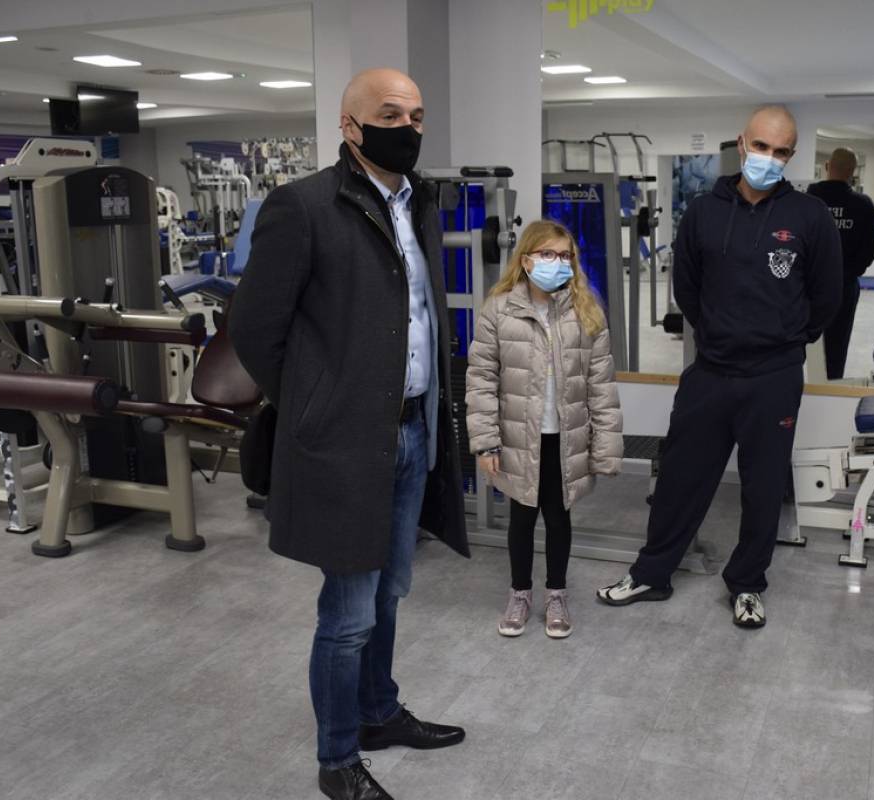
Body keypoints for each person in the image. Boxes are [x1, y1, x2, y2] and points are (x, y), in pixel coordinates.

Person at [229, 68, 469, 800]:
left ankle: (377, 713)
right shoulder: (303, 206)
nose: (408, 127)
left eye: (417, 115)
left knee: (389, 591)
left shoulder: (419, 203)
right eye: (390, 114)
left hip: (413, 432)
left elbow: (417, 316)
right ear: (349, 126)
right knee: (348, 612)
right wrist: (317, 406)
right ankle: (337, 761)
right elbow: (254, 330)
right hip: (344, 445)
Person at [596, 106, 842, 628]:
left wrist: (788, 337)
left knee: (763, 486)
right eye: (762, 147)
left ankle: (748, 584)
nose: (769, 159)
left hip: (773, 376)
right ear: (742, 143)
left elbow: (827, 295)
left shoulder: (809, 217)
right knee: (680, 476)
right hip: (710, 371)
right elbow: (686, 287)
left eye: (781, 152)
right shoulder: (704, 212)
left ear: (792, 156)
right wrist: (714, 331)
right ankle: (652, 572)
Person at [465, 219, 623, 640]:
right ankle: (520, 593)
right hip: (518, 436)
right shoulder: (500, 309)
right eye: (548, 254)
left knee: (558, 516)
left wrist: (605, 446)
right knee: (521, 517)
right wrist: (486, 441)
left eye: (565, 255)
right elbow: (481, 379)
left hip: (566, 438)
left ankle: (556, 595)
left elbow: (601, 385)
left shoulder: (586, 310)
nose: (557, 262)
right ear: (526, 259)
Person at [807, 147, 874, 379]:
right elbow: (869, 249)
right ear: (852, 171)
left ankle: (798, 387)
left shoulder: (808, 199)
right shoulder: (863, 204)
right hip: (843, 286)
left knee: (798, 341)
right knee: (837, 344)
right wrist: (848, 272)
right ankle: (832, 384)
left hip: (807, 285)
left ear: (828, 166)